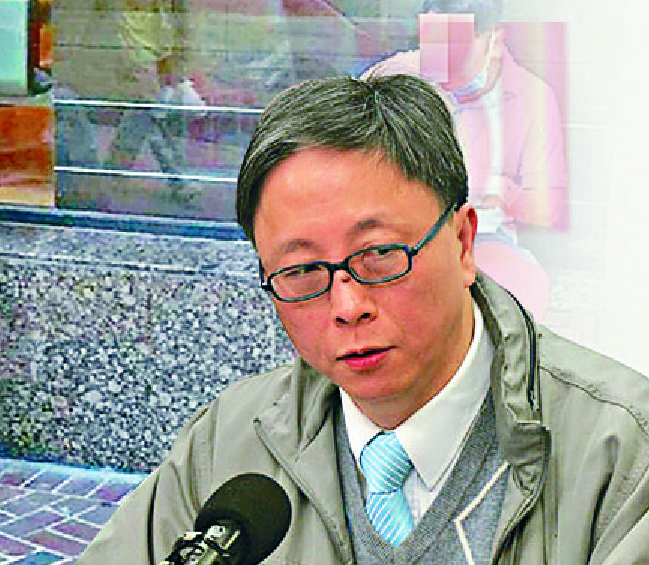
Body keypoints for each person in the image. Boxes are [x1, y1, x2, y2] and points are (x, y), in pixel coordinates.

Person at [76, 74, 649, 563]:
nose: (348, 307)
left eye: (380, 255)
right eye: (302, 271)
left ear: (463, 242)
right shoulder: (229, 441)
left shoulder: (620, 451)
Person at [364, 0, 568, 236]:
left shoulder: (532, 98)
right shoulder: (399, 73)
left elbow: (547, 211)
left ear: (495, 42)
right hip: (402, 230)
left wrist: (495, 188)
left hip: (482, 235)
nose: (440, 60)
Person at [91, 0, 192, 182]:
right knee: (150, 103)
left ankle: (115, 167)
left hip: (163, 31)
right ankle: (177, 177)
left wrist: (182, 34)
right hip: (132, 31)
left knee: (151, 106)